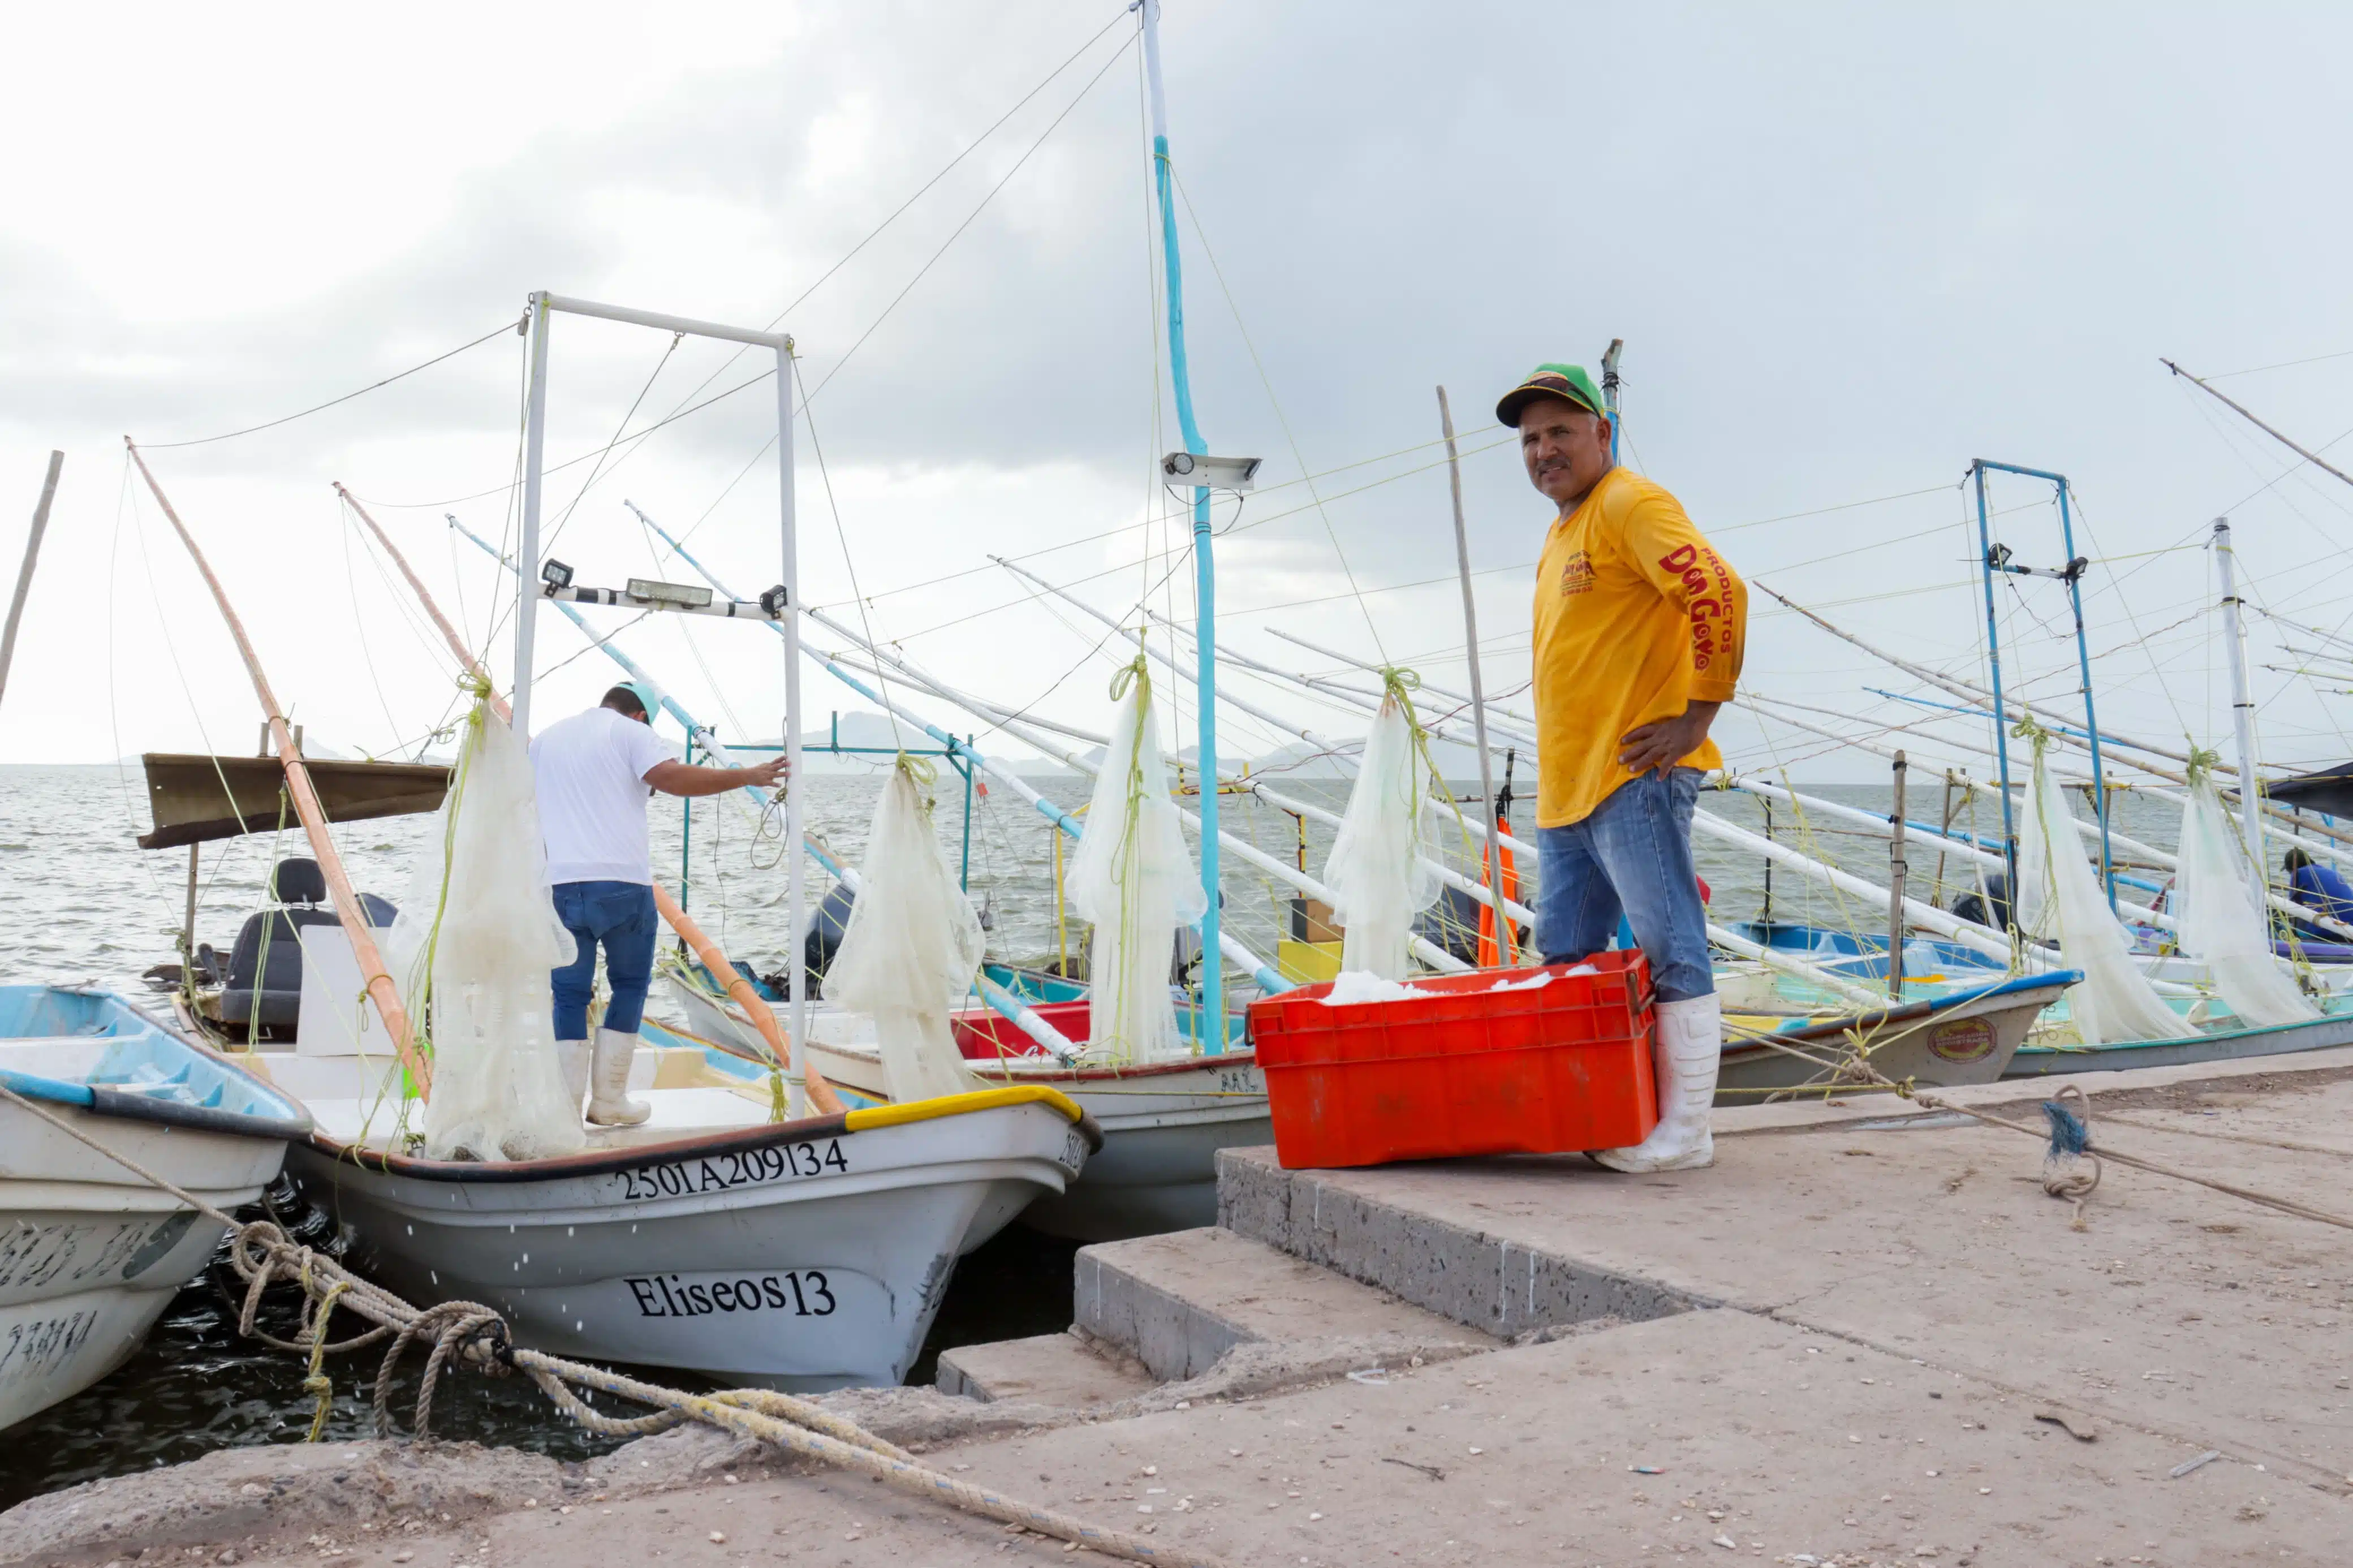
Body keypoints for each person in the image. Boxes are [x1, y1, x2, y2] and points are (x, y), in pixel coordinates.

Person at [1501, 363, 1747, 1173]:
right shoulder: (1563, 529)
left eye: (1561, 432)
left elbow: (1717, 588)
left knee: (1673, 942)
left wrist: (1698, 714)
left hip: (1633, 775)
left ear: (1603, 432)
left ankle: (1686, 1134)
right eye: (1532, 438)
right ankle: (1603, 1110)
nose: (1544, 450)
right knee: (1566, 961)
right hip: (1568, 793)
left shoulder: (1627, 503)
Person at [531, 682, 787, 1125]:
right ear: (642, 716)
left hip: (561, 887)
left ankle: (564, 1113)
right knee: (628, 986)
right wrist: (747, 776)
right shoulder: (632, 733)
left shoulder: (546, 740)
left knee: (568, 996)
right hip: (622, 886)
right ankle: (609, 1102)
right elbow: (670, 779)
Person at [2283, 846, 2353, 940]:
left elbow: (2293, 909)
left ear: (2291, 868)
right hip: (2350, 926)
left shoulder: (2298, 874)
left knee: (2287, 924)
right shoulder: (2331, 872)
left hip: (2333, 931)